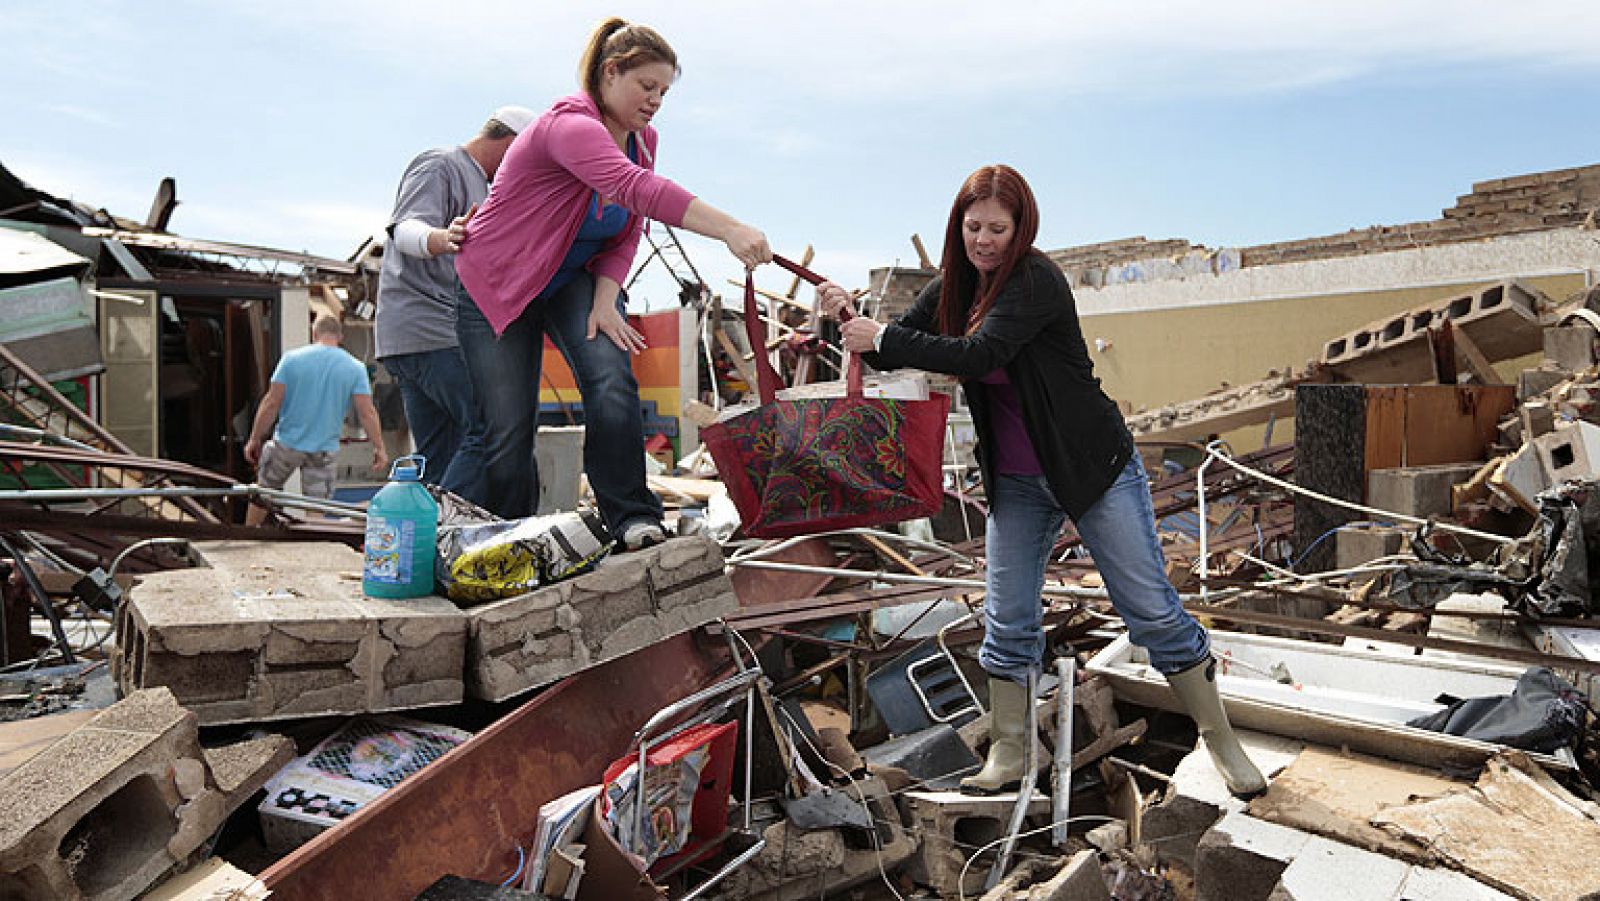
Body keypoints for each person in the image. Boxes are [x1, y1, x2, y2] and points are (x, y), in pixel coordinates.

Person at [818, 165, 1267, 798]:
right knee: (1008, 619)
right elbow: (897, 348)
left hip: (1091, 469)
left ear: (1020, 227)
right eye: (973, 226)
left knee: (1149, 610)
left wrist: (885, 335)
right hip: (1018, 483)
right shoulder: (955, 287)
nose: (983, 240)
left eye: (997, 228)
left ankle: (1220, 739)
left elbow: (980, 356)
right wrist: (846, 315)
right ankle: (1008, 750)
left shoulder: (1034, 279)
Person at [453, 17, 772, 550]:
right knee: (508, 430)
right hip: (499, 282)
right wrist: (730, 229)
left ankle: (630, 516)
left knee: (611, 375)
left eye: (665, 91)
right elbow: (636, 189)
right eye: (647, 86)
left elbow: (630, 226)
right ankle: (506, 539)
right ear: (609, 73)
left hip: (571, 279)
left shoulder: (644, 140)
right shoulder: (569, 126)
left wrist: (607, 298)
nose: (656, 101)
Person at [374, 105, 535, 507]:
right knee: (494, 425)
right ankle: (448, 530)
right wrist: (442, 238)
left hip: (412, 337)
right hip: (433, 329)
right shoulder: (441, 165)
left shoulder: (483, 187)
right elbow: (405, 228)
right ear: (511, 145)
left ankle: (425, 552)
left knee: (441, 452)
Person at [244, 314, 388, 525]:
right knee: (316, 509)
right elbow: (367, 412)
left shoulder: (291, 359)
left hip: (287, 445)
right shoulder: (354, 367)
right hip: (324, 450)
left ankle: (248, 537)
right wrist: (379, 447)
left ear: (314, 333)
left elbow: (271, 403)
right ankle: (314, 550)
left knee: (262, 495)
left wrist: (255, 438)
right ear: (340, 336)